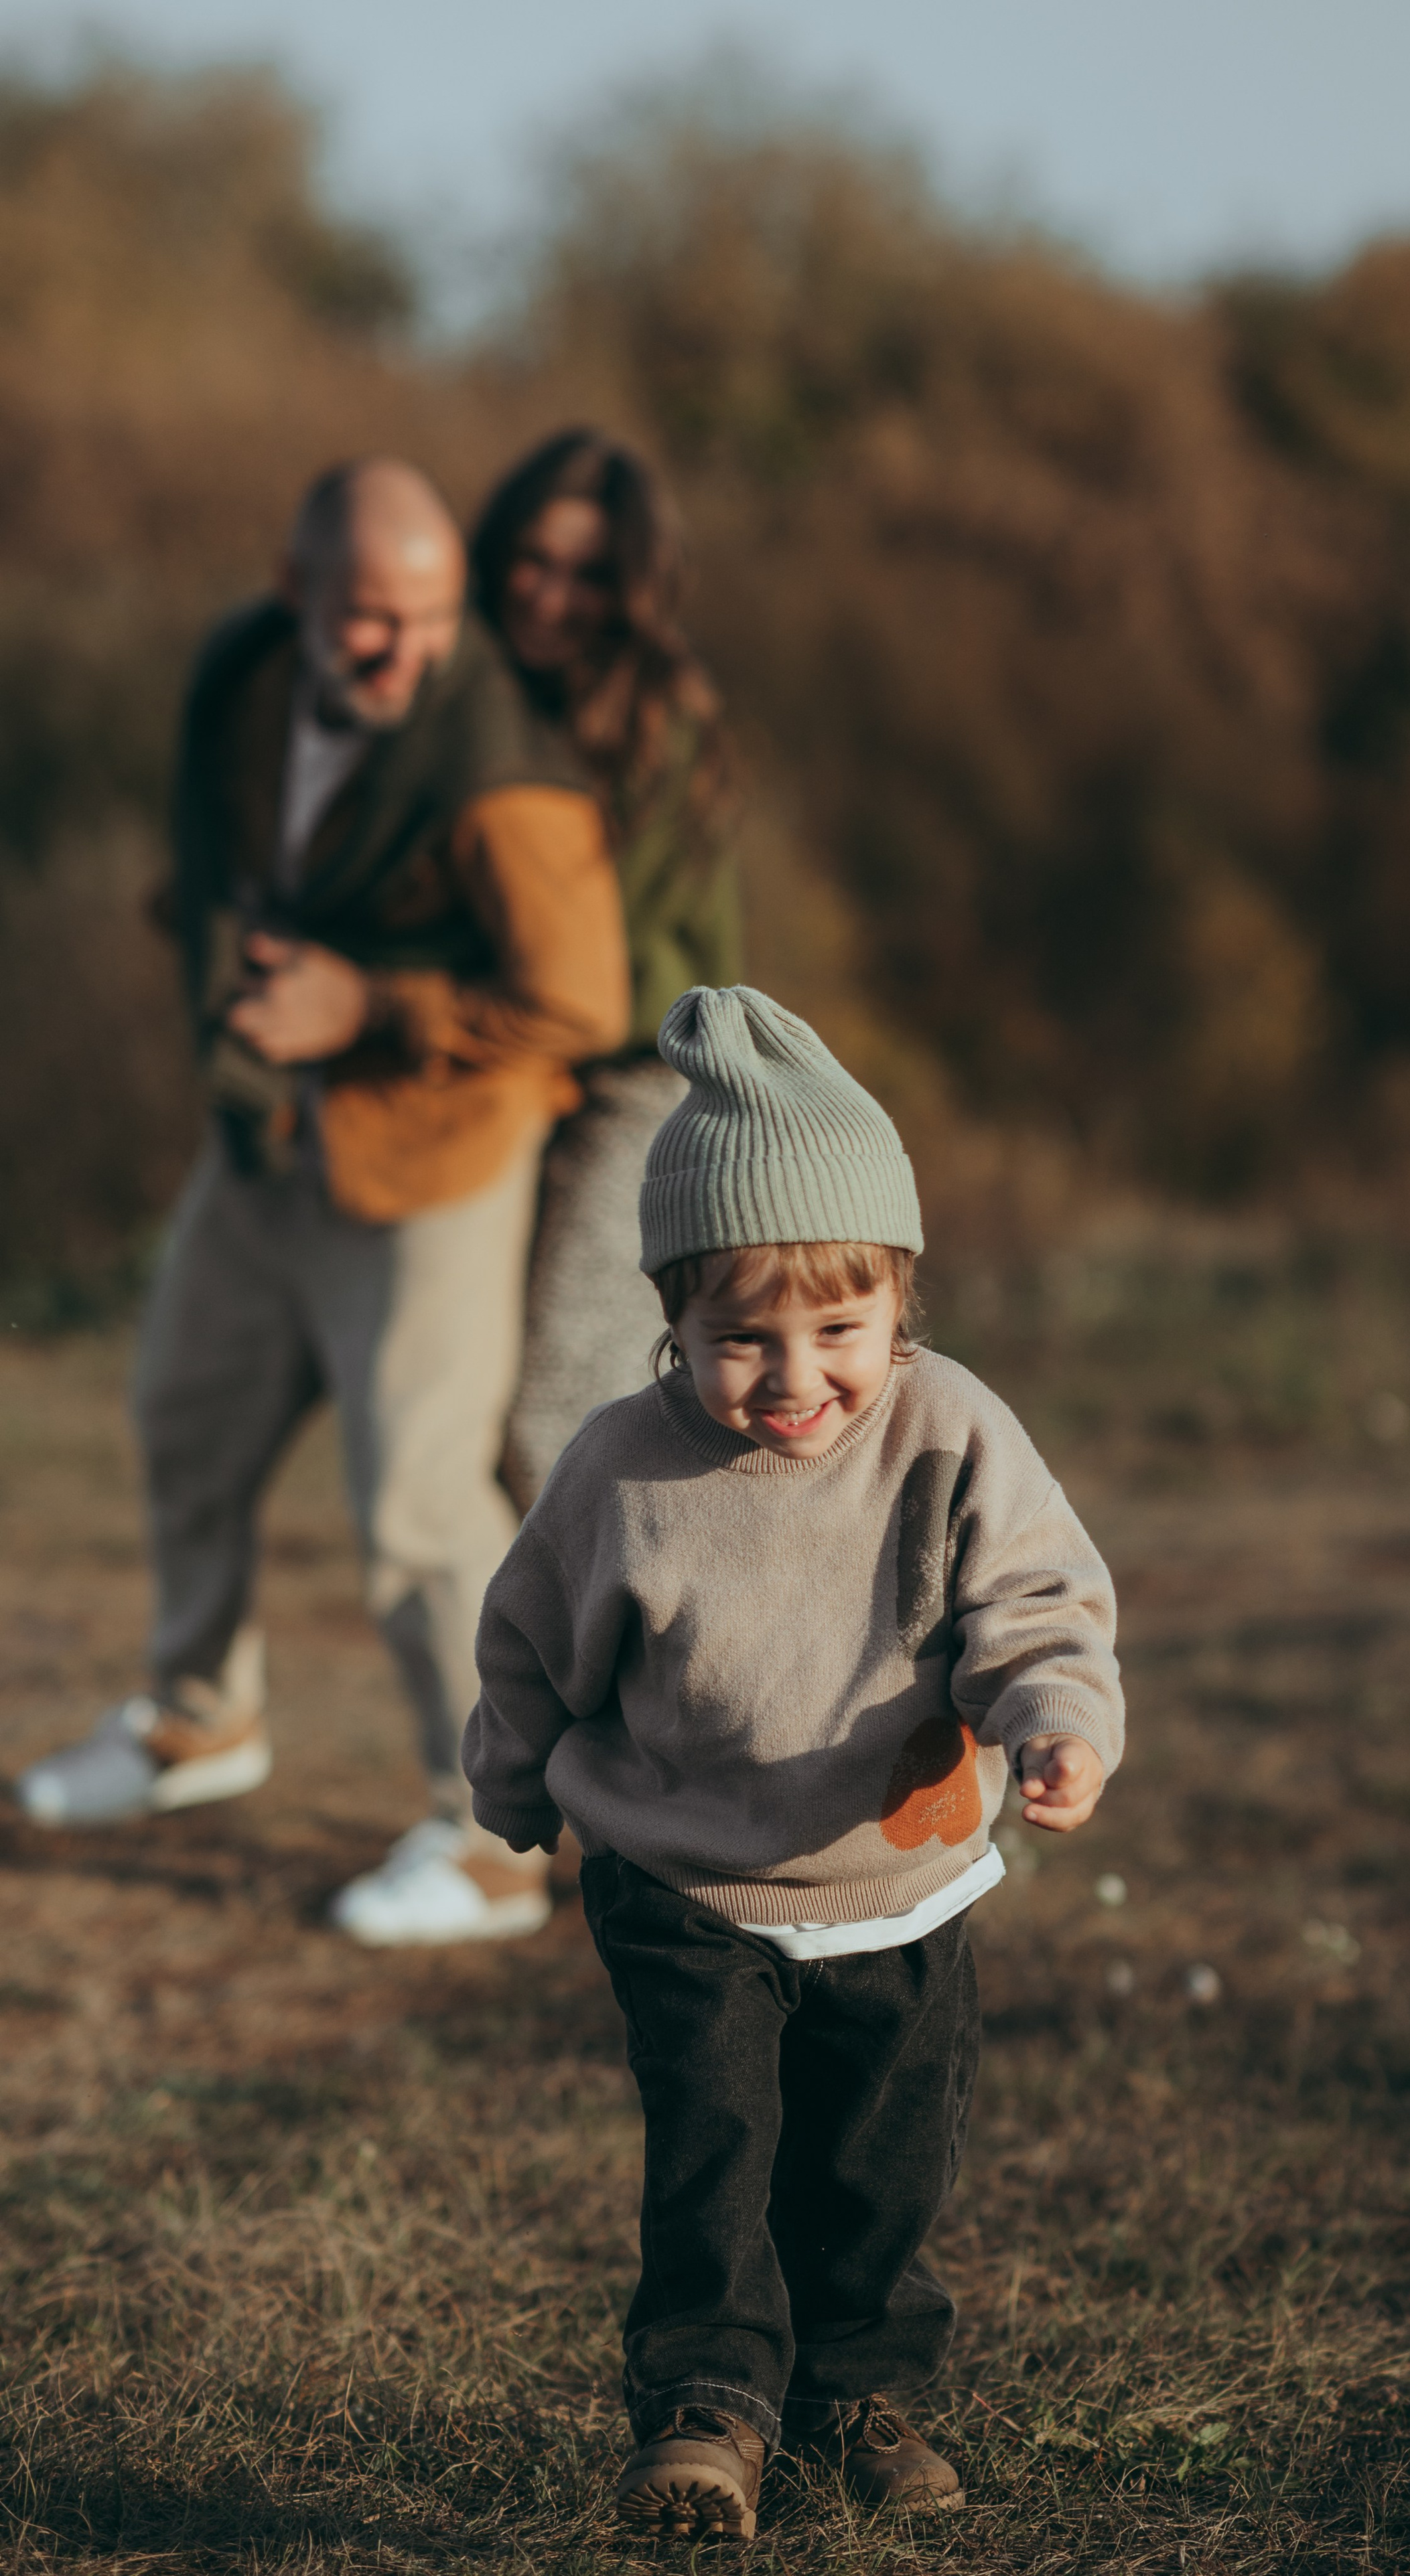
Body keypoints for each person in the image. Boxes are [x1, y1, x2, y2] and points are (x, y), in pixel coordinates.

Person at [463, 985, 1125, 2540]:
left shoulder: (949, 1428)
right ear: (671, 1321)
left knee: (878, 2164)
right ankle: (706, 2410)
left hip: (895, 1883)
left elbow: (1031, 1593)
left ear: (901, 1303)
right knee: (715, 2154)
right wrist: (505, 1778)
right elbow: (529, 1636)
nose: (792, 1374)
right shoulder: (622, 1464)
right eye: (738, 1336)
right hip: (682, 1879)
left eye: (838, 1329)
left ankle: (859, 2390)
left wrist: (1057, 1717)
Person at [16, 458, 632, 1949]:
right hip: (264, 1139)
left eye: (428, 621)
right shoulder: (239, 678)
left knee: (418, 1501)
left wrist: (368, 999)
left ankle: (497, 1837)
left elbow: (581, 996)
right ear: (294, 595)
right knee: (180, 1412)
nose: (401, 654)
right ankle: (198, 1717)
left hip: (432, 1161)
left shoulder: (504, 768)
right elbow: (243, 842)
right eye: (367, 620)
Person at [466, 429, 744, 1505]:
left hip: (640, 1076)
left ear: (633, 588)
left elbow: (596, 971)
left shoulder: (660, 721)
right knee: (465, 1411)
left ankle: (617, 1662)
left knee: (559, 1413)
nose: (549, 594)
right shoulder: (475, 702)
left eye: (588, 574)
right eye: (531, 560)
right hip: (517, 1069)